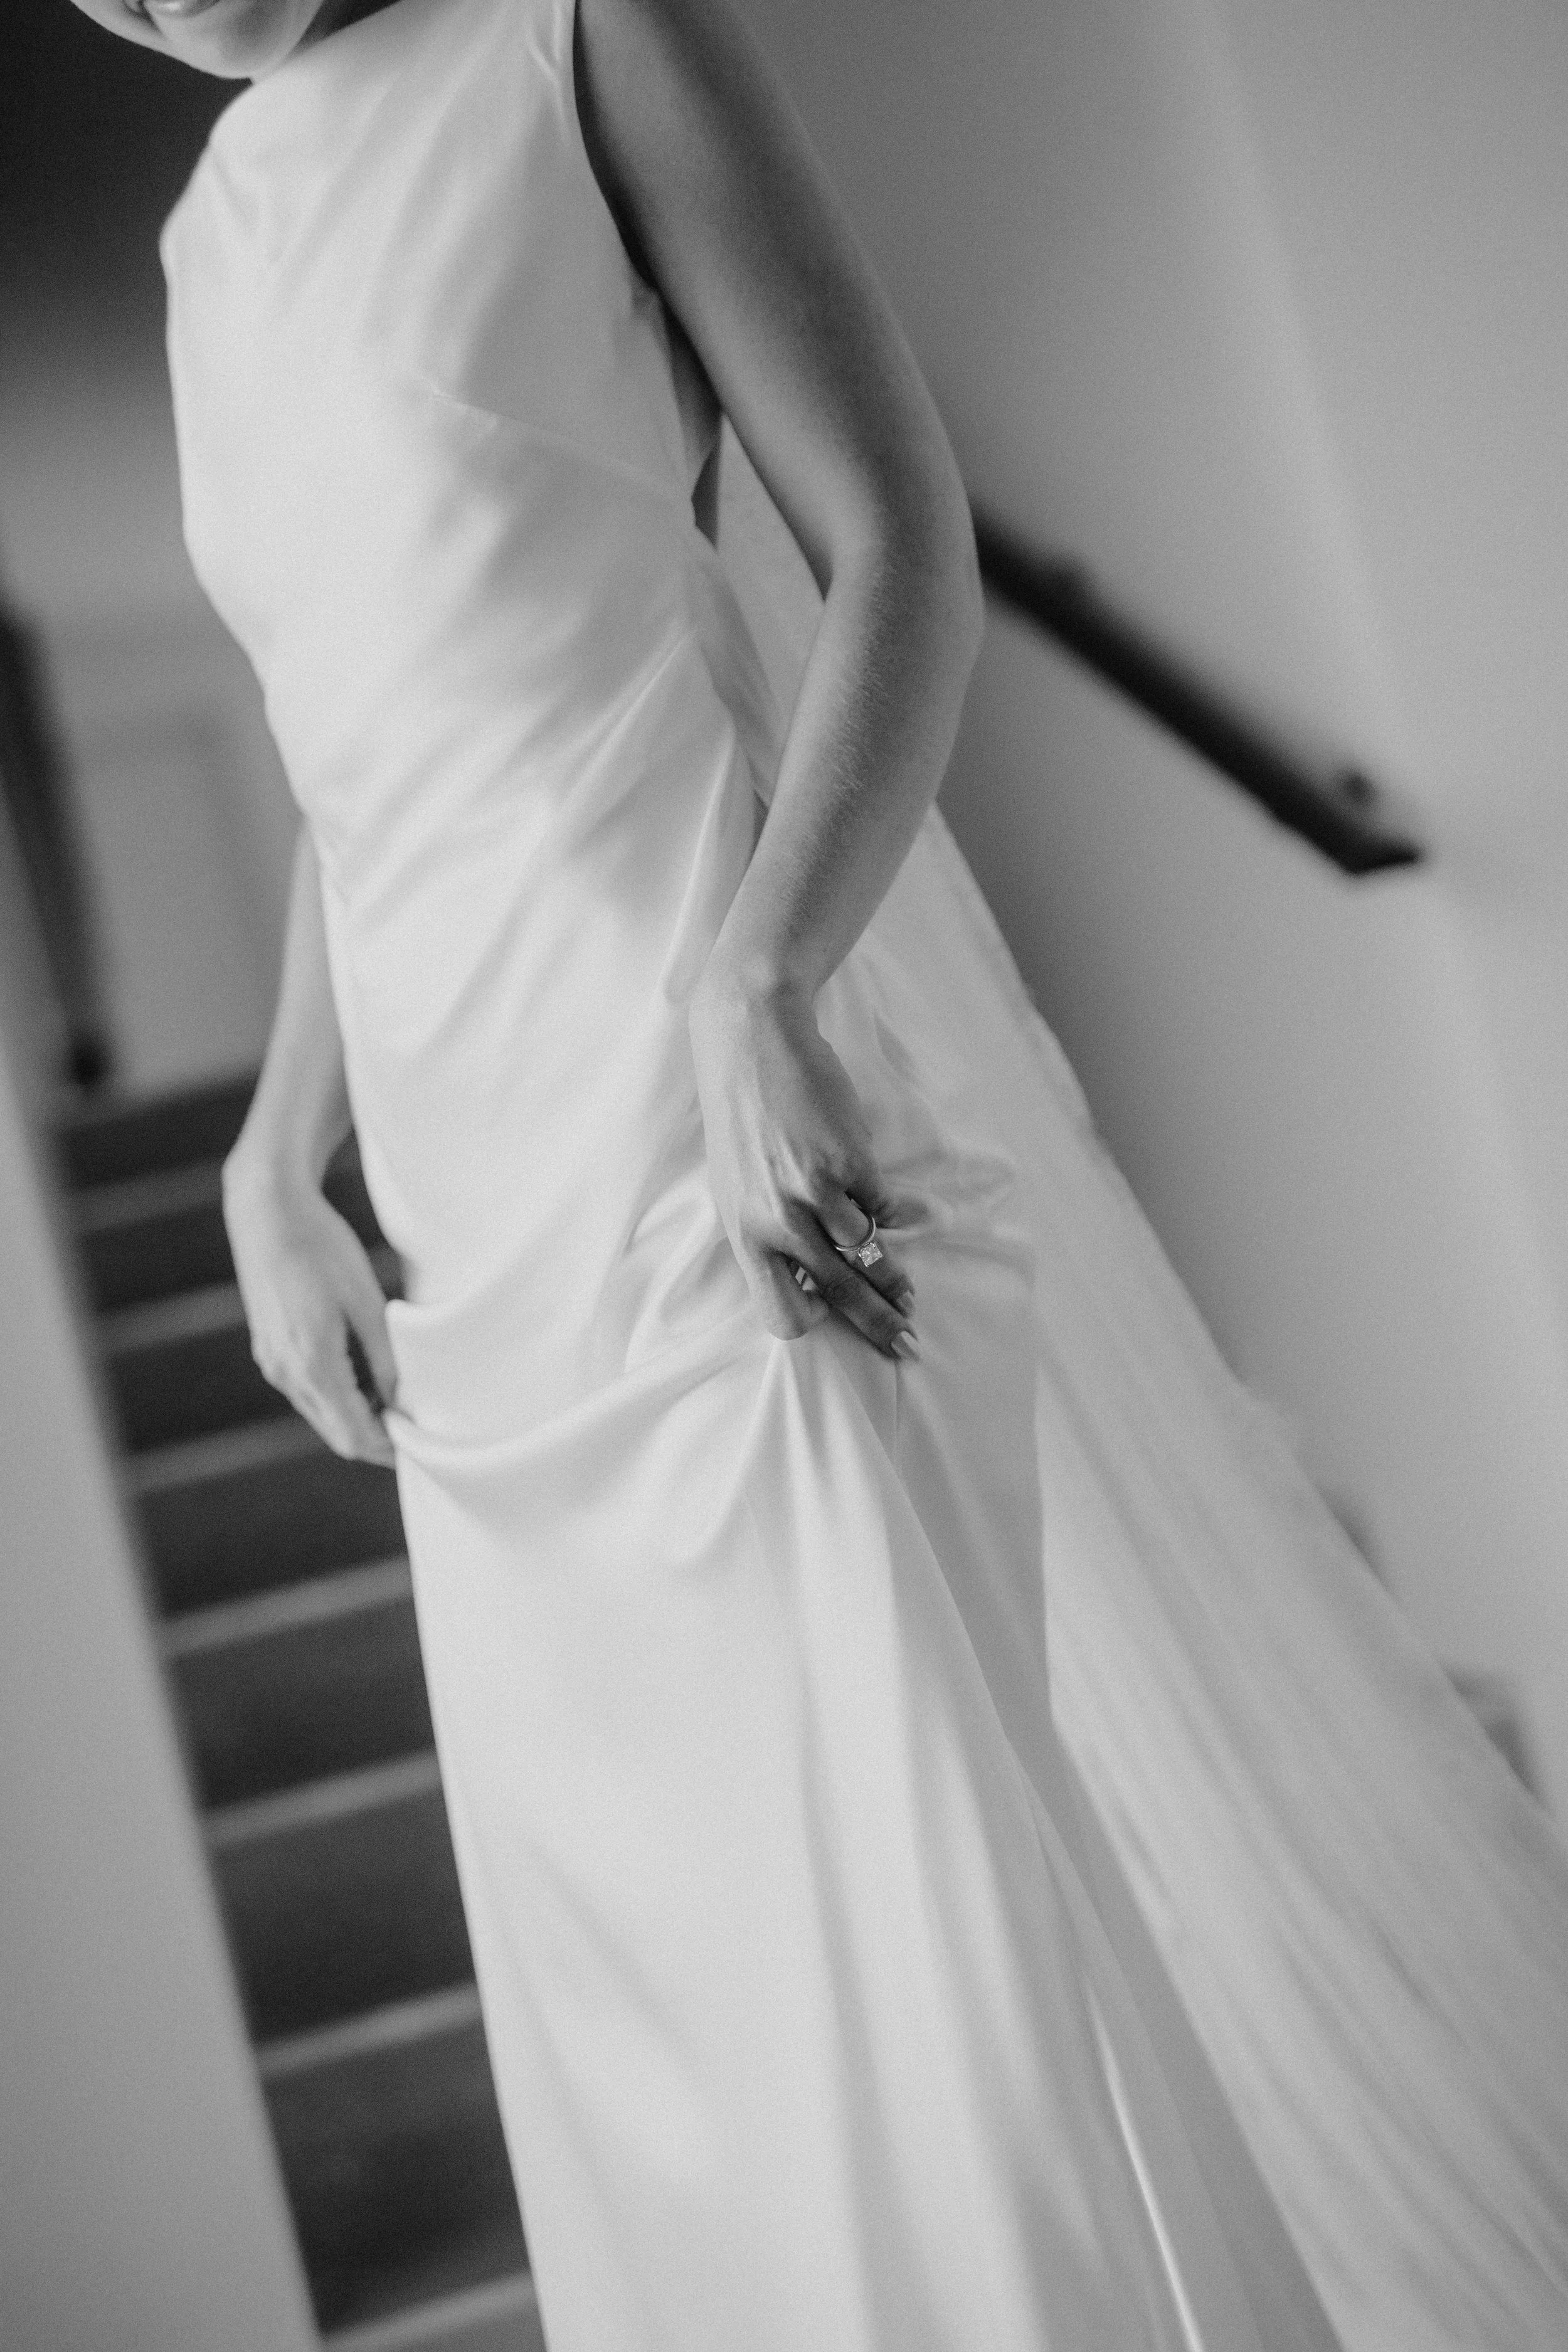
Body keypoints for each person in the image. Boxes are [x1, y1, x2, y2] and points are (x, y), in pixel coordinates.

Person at [71, 2, 1568, 2346]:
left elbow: (899, 543)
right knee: (680, 2036)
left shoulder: (573, 36)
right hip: (481, 1274)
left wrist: (755, 988)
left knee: (924, 2006)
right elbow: (368, 743)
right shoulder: (206, 237)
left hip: (721, 1164)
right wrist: (278, 1148)